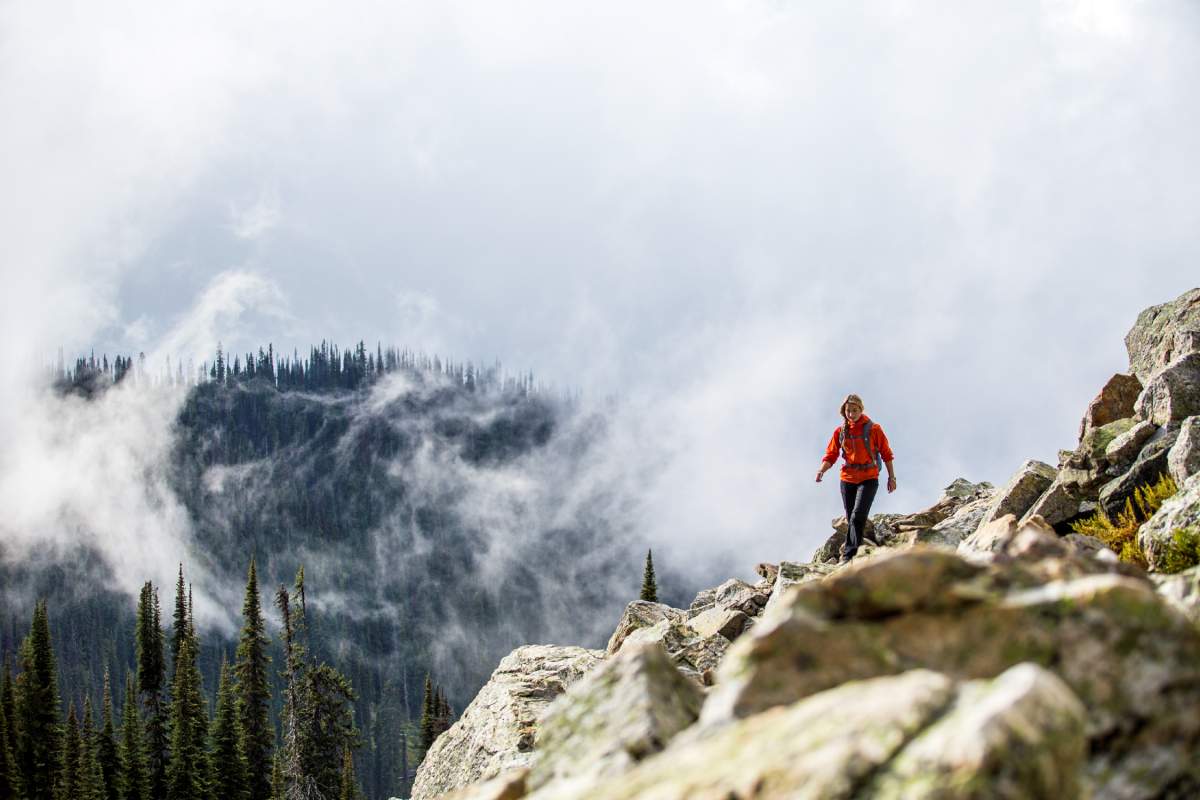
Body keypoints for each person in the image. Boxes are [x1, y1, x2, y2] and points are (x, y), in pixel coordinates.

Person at [815, 394, 896, 562]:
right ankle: (857, 552)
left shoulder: (874, 429)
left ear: (861, 409)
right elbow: (831, 455)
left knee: (857, 516)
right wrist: (821, 470)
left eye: (854, 410)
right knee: (851, 516)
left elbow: (886, 454)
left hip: (869, 478)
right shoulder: (841, 432)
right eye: (848, 411)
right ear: (844, 412)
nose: (851, 414)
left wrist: (891, 477)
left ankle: (849, 555)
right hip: (847, 479)